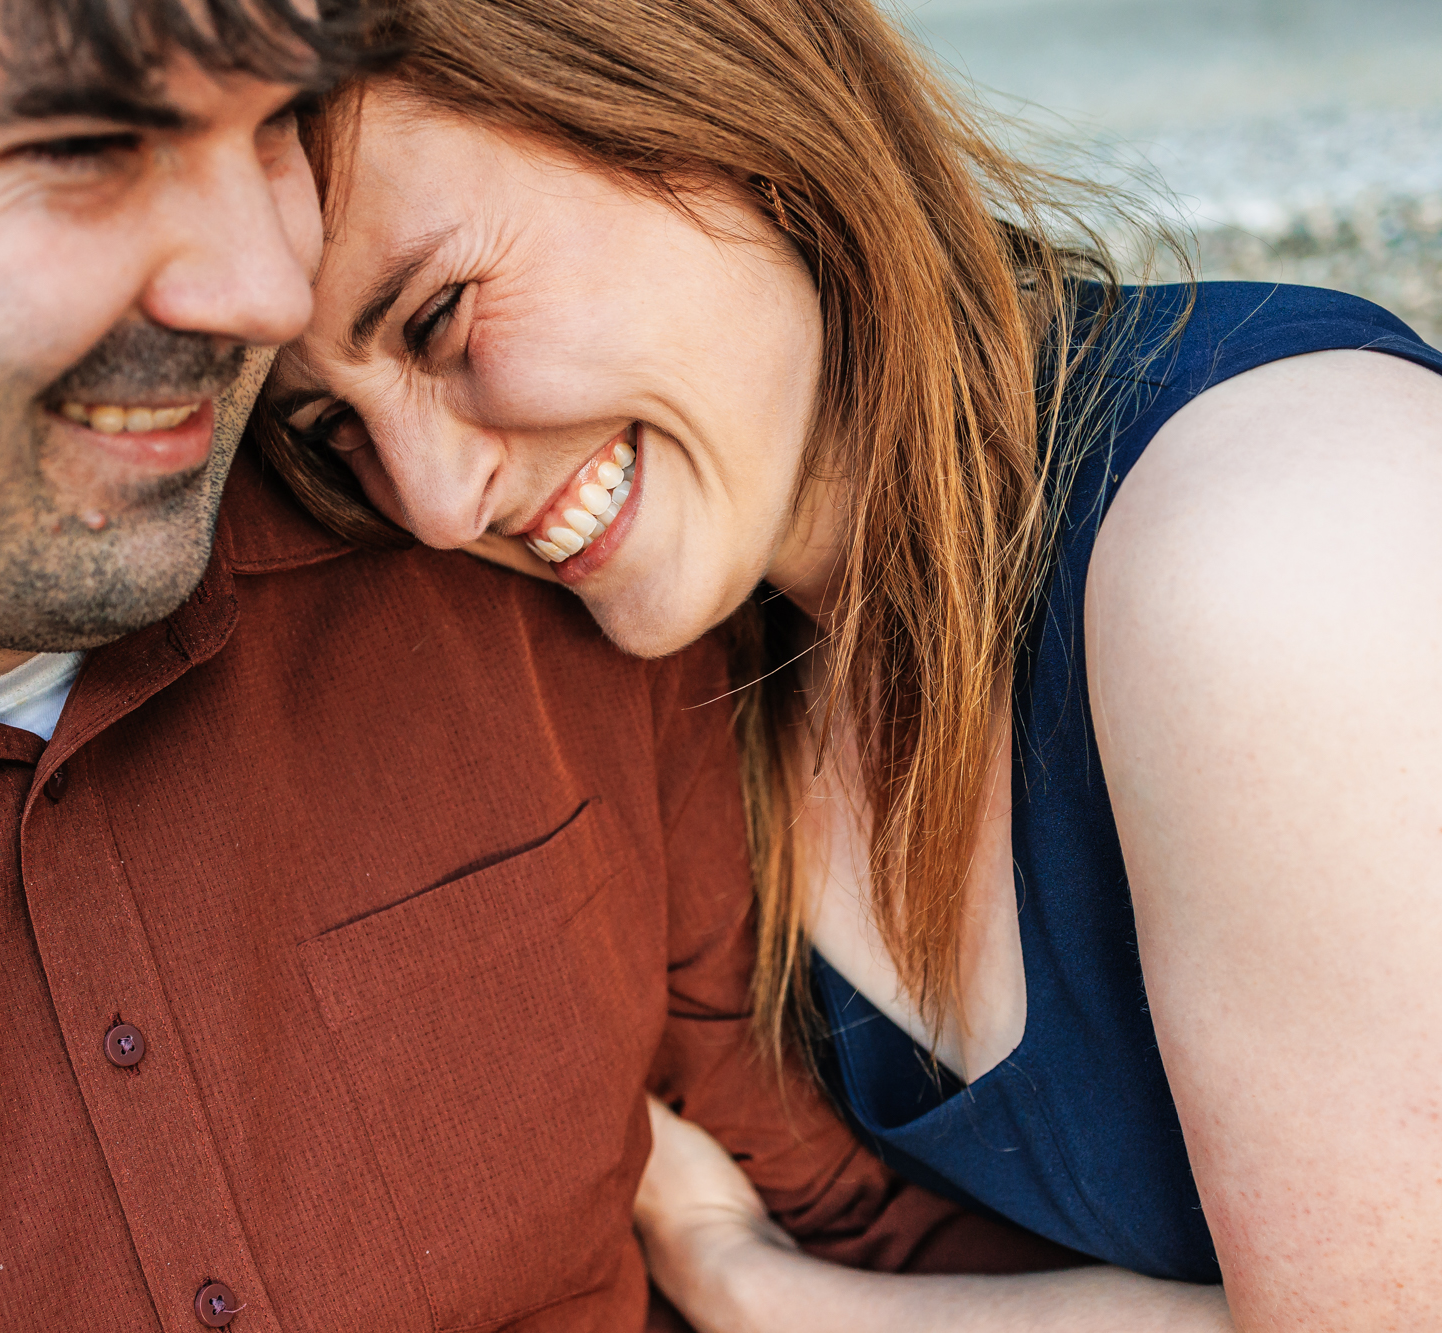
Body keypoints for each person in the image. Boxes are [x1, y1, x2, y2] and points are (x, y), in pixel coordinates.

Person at [0, 1, 1077, 1329]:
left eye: (281, 117)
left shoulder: (489, 526)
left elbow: (843, 1216)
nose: (266, 286)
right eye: (85, 146)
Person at [260, 0, 1442, 1327]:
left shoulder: (1288, 540)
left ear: (711, 109)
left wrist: (762, 1291)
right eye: (331, 427)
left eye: (436, 318)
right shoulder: (744, 670)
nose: (430, 500)